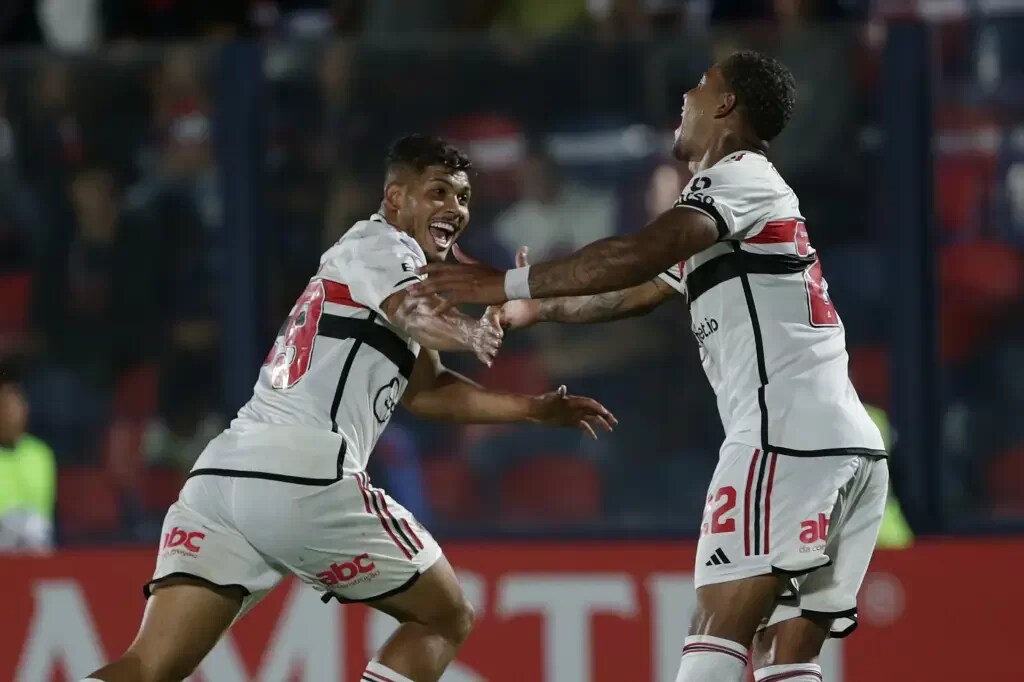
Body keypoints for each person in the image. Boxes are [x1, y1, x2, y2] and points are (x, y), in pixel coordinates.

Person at [412, 52, 888, 682]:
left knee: (715, 629)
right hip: (844, 444)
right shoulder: (740, 208)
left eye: (699, 86)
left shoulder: (739, 176)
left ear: (725, 106)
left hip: (784, 436)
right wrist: (527, 307)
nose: (684, 97)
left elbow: (638, 254)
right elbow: (633, 291)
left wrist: (501, 278)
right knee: (783, 654)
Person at [83, 134, 615, 682]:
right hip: (303, 472)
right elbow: (415, 314)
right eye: (438, 192)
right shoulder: (380, 246)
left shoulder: (383, 269)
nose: (455, 209)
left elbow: (429, 390)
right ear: (395, 201)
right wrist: (470, 329)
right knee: (444, 616)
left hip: (222, 478)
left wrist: (530, 410)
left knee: (148, 666)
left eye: (463, 197)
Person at [0, 357, 56, 551]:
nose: (11, 414)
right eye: (6, 406)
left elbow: (43, 512)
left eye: (17, 406)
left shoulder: (41, 455)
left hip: (34, 544)